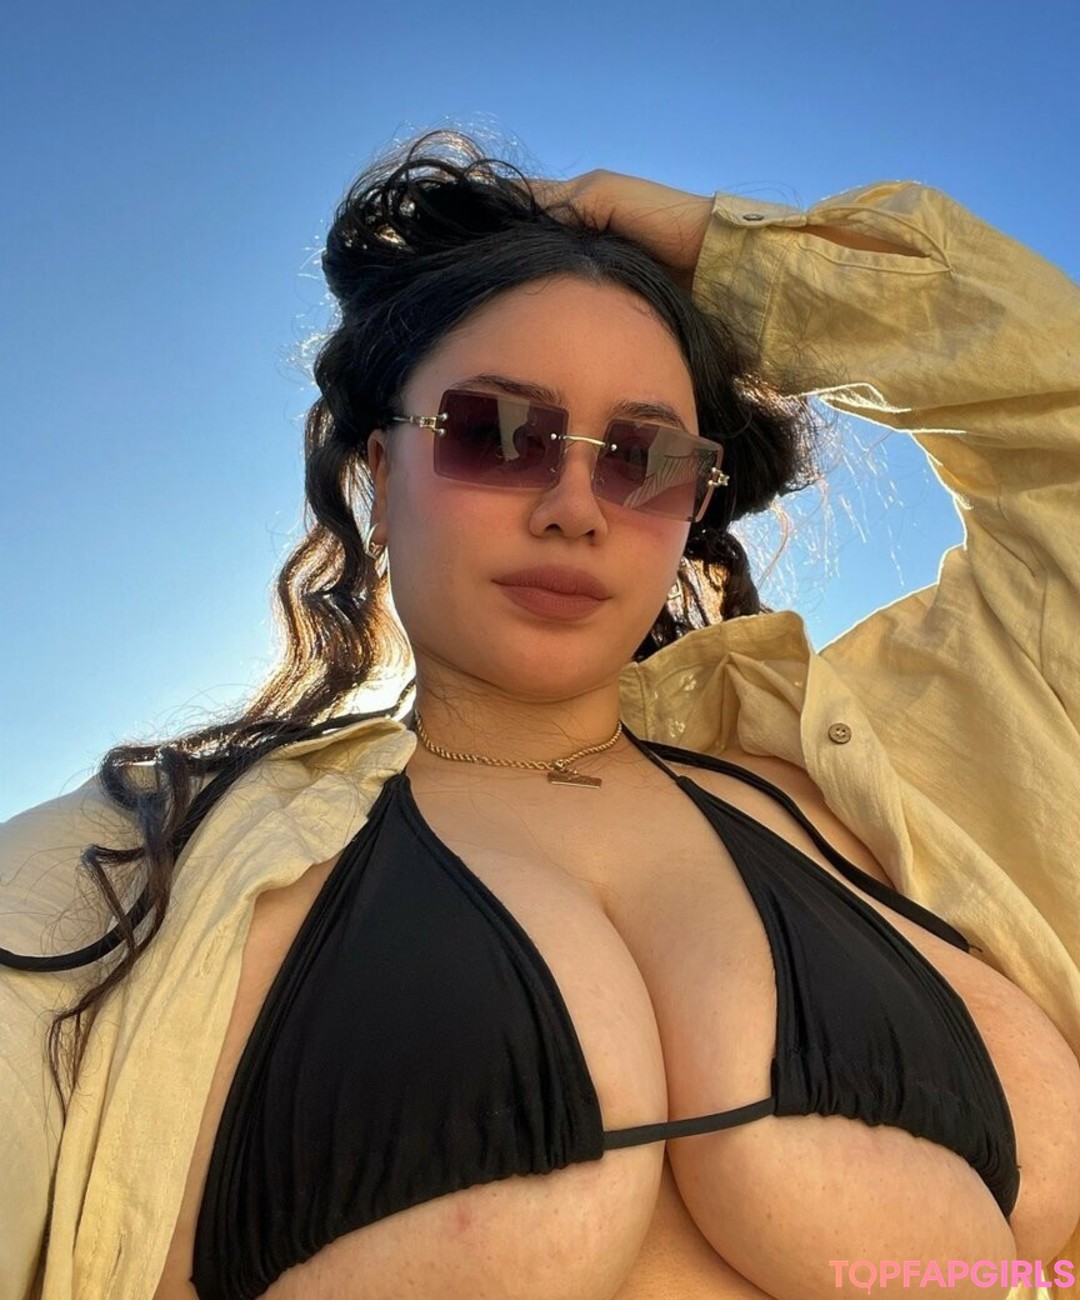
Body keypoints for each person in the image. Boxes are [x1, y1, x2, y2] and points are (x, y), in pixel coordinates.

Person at [2, 129, 1079, 1300]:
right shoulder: (133, 863)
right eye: (494, 434)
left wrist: (726, 257)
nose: (575, 505)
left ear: (694, 501)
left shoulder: (864, 786)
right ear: (380, 475)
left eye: (644, 457)